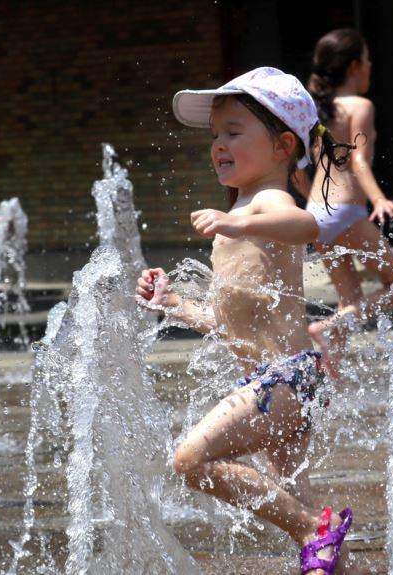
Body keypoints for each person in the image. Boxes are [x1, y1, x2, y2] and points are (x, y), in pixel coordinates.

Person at [136, 67, 355, 575]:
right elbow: (230, 322)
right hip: (278, 380)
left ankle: (311, 529)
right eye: (216, 135)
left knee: (191, 460)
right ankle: (331, 552)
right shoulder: (241, 213)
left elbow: (307, 224)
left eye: (234, 132)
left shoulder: (268, 204)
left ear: (282, 147)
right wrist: (174, 304)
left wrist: (239, 221)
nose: (219, 144)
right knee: (297, 504)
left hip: (284, 381)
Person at [303, 29, 393, 376]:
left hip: (316, 212)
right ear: (354, 66)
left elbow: (304, 166)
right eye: (367, 60)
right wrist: (379, 200)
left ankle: (331, 378)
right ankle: (329, 327)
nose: (370, 66)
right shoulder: (360, 106)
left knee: (349, 300)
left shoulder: (318, 110)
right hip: (345, 211)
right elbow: (359, 161)